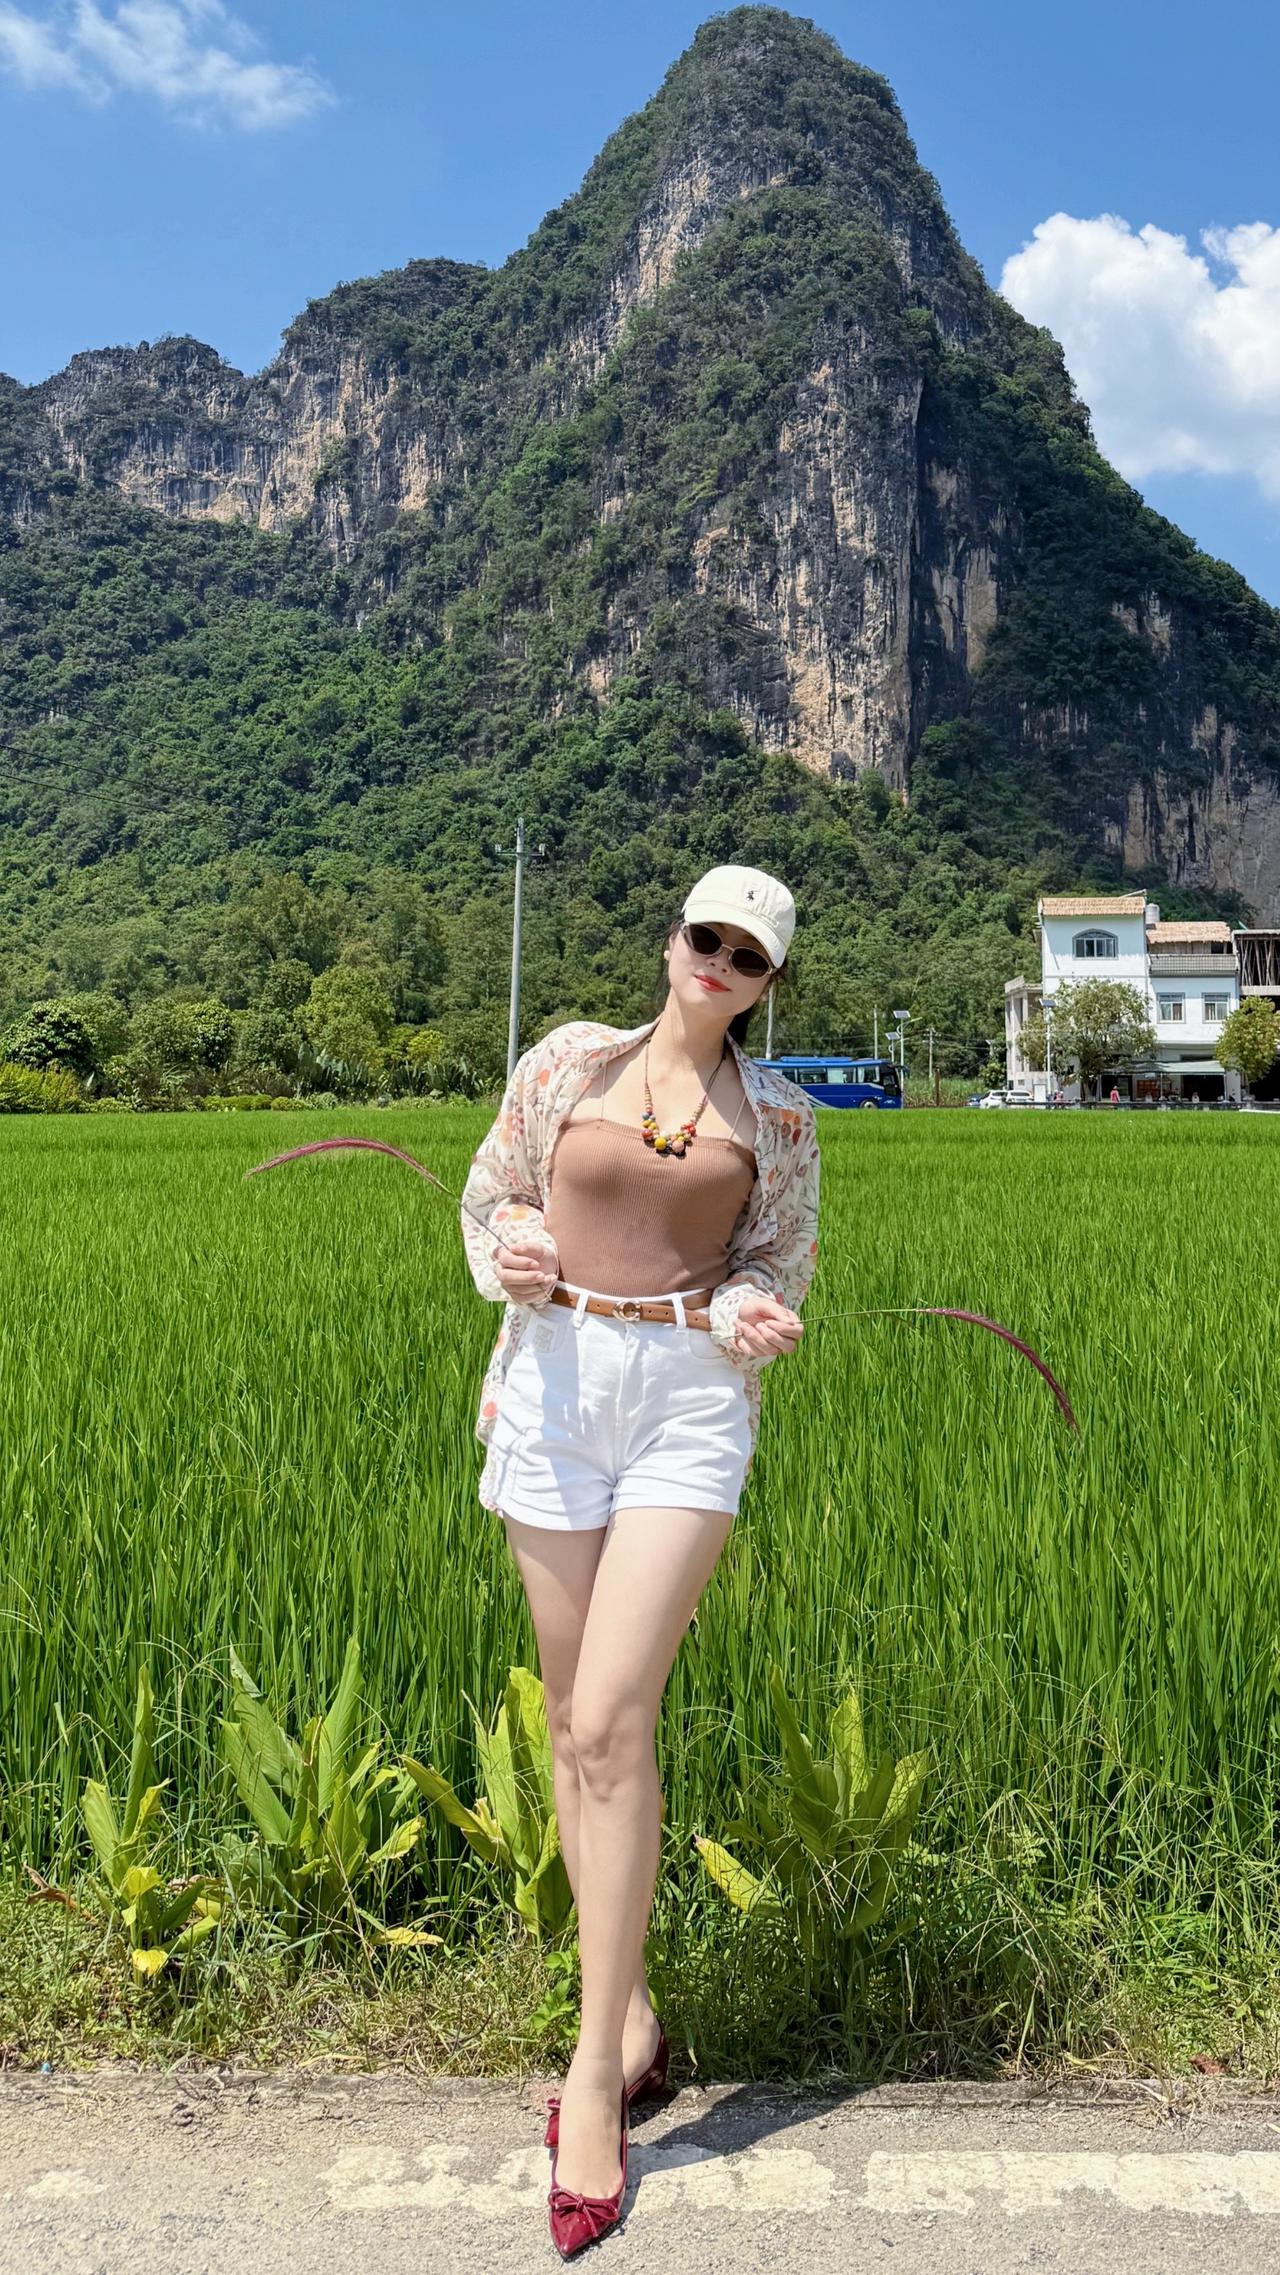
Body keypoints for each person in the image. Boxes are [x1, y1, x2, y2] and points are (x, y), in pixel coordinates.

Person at [460, 864, 820, 2255]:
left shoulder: (777, 1116)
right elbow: (493, 1197)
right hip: (553, 1383)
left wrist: (752, 1313)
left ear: (769, 982)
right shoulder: (568, 1062)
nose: (719, 959)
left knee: (613, 1718)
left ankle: (593, 2081)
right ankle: (635, 2019)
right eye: (704, 935)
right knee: (571, 1723)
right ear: (670, 941)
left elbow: (774, 1264)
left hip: (684, 1403)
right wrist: (514, 1250)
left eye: (748, 953)